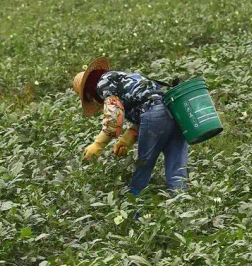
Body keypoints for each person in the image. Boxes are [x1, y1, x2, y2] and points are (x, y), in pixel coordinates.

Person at [72, 57, 188, 195]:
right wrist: (125, 141)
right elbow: (148, 112)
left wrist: (98, 143)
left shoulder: (102, 83)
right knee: (177, 166)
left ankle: (135, 203)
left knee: (144, 164)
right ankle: (181, 202)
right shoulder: (125, 78)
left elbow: (115, 116)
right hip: (174, 111)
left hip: (156, 113)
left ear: (88, 91)